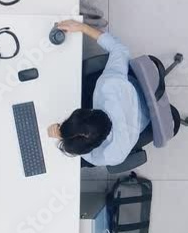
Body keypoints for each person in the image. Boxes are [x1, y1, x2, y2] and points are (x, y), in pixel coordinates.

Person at [47, 19, 149, 167]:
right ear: (88, 110)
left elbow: (87, 155)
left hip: (135, 114)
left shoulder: (112, 154)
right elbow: (120, 50)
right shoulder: (109, 87)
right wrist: (82, 27)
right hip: (127, 95)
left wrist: (61, 137)